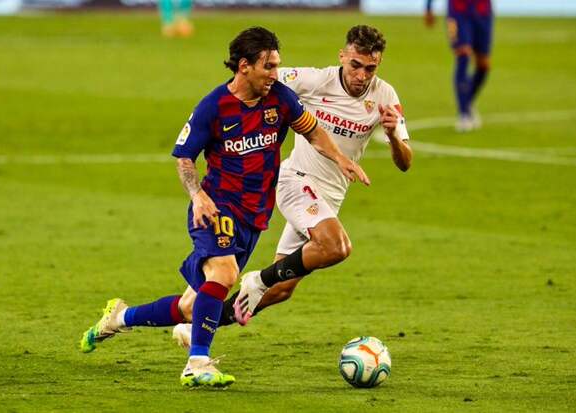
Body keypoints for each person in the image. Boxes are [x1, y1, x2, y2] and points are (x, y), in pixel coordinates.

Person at [79, 26, 369, 389]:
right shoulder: (214, 106)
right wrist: (197, 195)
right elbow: (185, 157)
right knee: (225, 274)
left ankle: (119, 317)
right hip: (216, 208)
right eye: (268, 66)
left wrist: (341, 158)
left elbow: (310, 130)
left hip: (253, 215)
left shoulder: (280, 98)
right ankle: (197, 363)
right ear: (244, 66)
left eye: (277, 66)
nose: (275, 74)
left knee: (191, 307)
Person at [170, 24, 412, 343]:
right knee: (336, 246)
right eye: (356, 65)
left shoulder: (385, 96)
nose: (362, 75)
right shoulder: (313, 80)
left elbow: (405, 162)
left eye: (370, 68)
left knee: (281, 289)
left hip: (329, 197)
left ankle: (198, 325)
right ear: (342, 56)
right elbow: (255, 81)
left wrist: (393, 135)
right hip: (295, 181)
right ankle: (257, 280)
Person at [425, 0, 493, 132]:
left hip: (482, 10)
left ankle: (467, 101)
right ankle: (464, 114)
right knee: (463, 55)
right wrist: (429, 7)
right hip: (458, 11)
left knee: (484, 65)